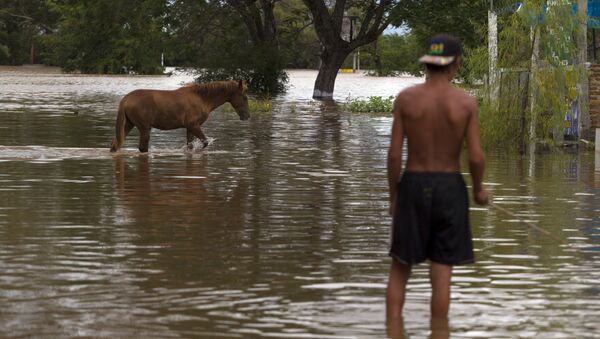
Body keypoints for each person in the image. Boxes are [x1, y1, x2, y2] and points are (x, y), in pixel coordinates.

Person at [385, 34, 489, 324]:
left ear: (427, 63)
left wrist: (394, 197)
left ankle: (392, 330)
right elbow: (476, 157)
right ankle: (439, 331)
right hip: (449, 187)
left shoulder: (406, 99)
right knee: (442, 274)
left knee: (399, 269)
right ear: (456, 64)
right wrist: (479, 189)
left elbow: (394, 155)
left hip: (413, 185)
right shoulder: (466, 103)